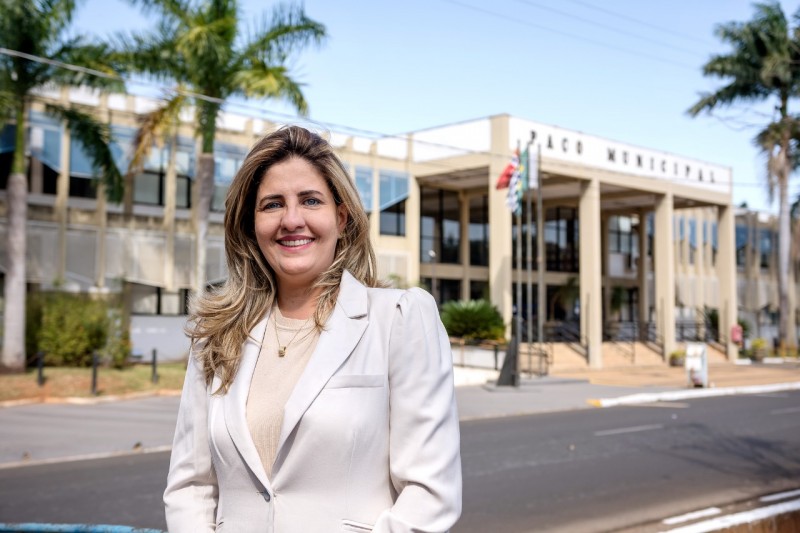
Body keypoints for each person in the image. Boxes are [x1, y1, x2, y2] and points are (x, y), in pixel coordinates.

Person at [164, 125, 462, 532]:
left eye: (310, 200)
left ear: (341, 217)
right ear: (251, 225)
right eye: (271, 205)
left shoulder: (398, 320)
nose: (291, 220)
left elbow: (430, 494)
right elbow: (190, 486)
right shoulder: (216, 334)